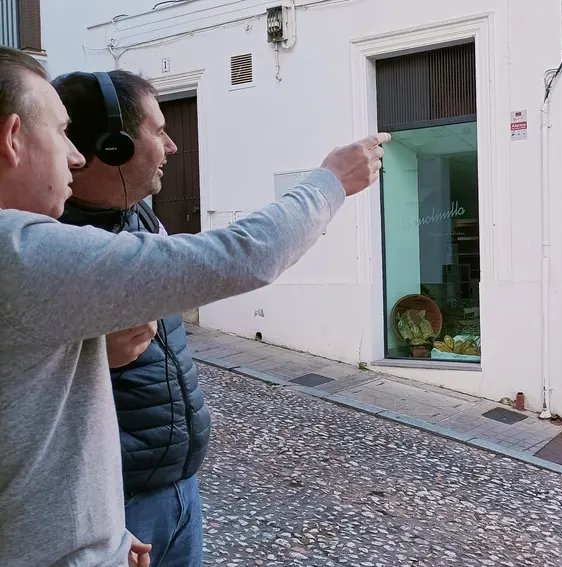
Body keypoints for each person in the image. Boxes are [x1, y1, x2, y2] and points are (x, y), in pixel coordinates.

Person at [0, 46, 389, 567]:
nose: (74, 155)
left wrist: (100, 535)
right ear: (11, 139)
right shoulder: (23, 253)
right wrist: (330, 182)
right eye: (60, 132)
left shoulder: (119, 225)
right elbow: (242, 256)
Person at [52, 69, 209, 566]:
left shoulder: (140, 211)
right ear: (113, 146)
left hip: (181, 487)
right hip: (111, 509)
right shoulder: (43, 237)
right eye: (158, 130)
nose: (172, 145)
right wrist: (97, 354)